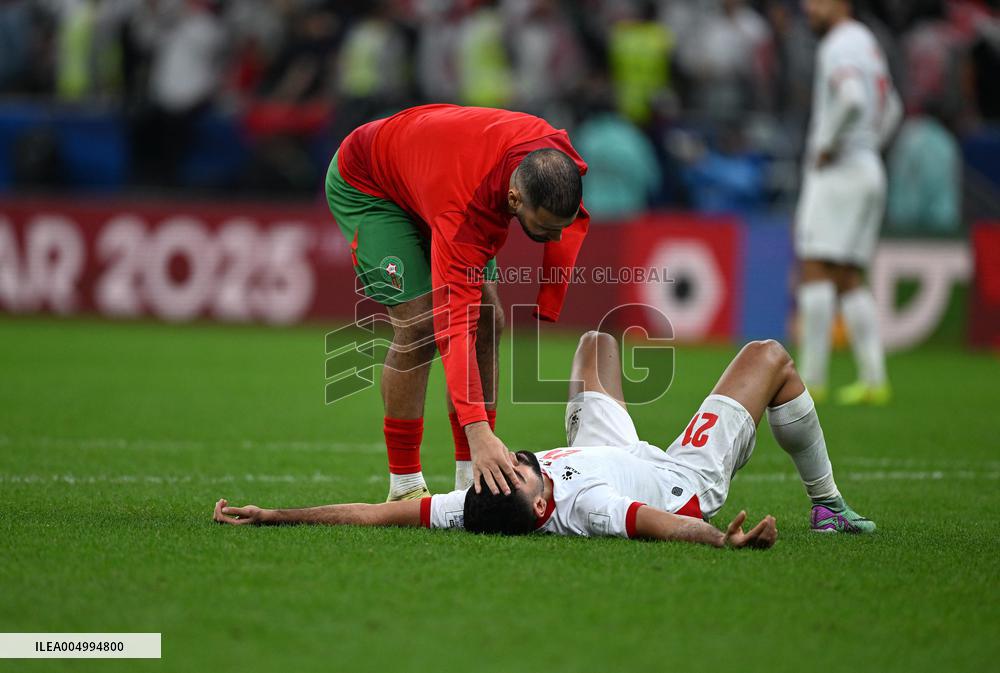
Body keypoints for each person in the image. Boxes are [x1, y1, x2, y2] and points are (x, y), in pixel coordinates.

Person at [214, 332, 876, 544]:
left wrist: (275, 513)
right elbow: (659, 524)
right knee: (769, 356)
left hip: (609, 451)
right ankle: (829, 504)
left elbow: (372, 512)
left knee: (596, 344)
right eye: (525, 469)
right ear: (540, 507)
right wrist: (723, 539)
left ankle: (824, 501)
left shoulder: (476, 501)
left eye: (511, 463)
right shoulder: (585, 503)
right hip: (680, 479)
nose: (515, 457)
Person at [325, 104, 591, 502]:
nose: (553, 239)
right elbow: (454, 327)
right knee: (422, 326)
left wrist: (551, 291)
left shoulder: (553, 156)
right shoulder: (466, 212)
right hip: (371, 184)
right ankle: (405, 485)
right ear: (514, 199)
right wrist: (477, 429)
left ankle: (472, 483)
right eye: (545, 228)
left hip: (434, 172)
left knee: (488, 319)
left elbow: (570, 222)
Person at [795, 0, 902, 406]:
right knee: (849, 275)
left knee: (816, 267)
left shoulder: (838, 44)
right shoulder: (867, 42)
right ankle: (874, 380)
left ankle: (811, 379)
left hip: (839, 171)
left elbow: (853, 98)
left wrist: (827, 143)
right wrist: (869, 145)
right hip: (869, 167)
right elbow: (892, 107)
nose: (808, 9)